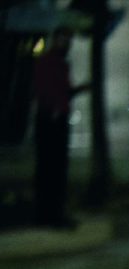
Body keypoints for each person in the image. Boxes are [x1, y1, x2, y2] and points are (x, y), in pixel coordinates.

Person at [32, 25, 83, 229]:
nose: (67, 44)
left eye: (69, 40)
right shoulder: (48, 62)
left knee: (56, 169)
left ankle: (52, 213)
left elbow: (63, 91)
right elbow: (46, 91)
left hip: (57, 118)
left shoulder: (61, 64)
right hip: (50, 119)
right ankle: (48, 215)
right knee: (50, 169)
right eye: (64, 40)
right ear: (56, 40)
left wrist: (76, 90)